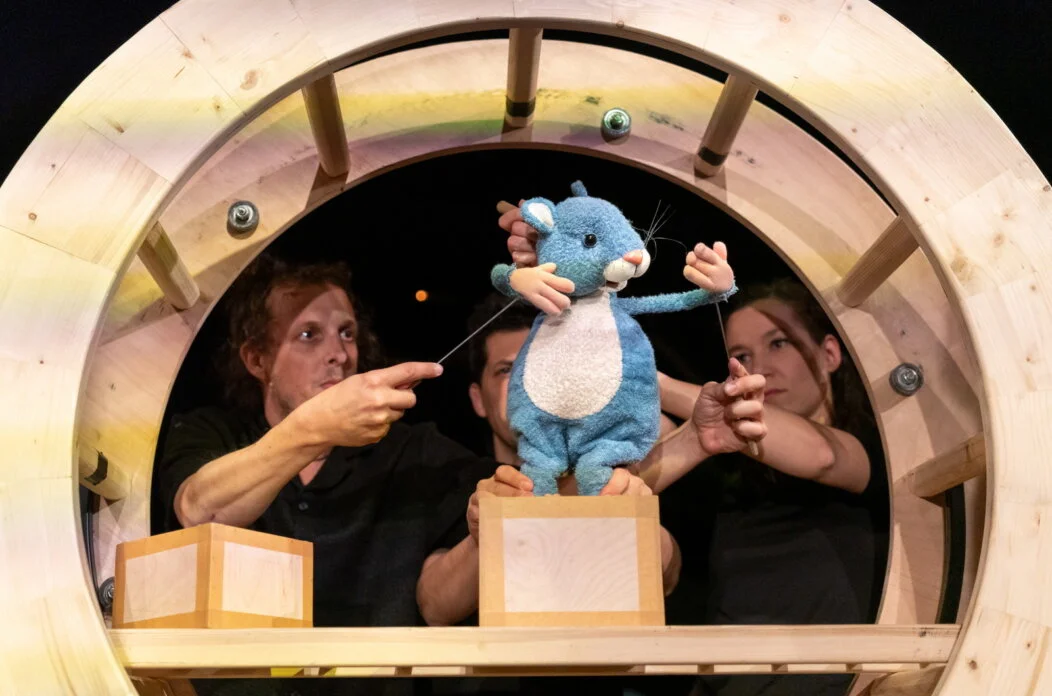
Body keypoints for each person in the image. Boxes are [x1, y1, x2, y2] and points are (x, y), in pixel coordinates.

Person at [499, 207, 888, 696]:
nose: (761, 367)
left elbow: (822, 456)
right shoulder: (726, 465)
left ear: (829, 353)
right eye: (742, 356)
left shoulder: (867, 447)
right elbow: (594, 504)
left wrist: (639, 376)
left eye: (779, 344)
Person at [152, 253, 497, 696]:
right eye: (308, 335)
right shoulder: (212, 433)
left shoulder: (415, 451)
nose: (339, 354)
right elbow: (199, 509)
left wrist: (491, 520)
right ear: (257, 359)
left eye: (347, 333)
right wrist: (315, 428)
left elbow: (441, 603)